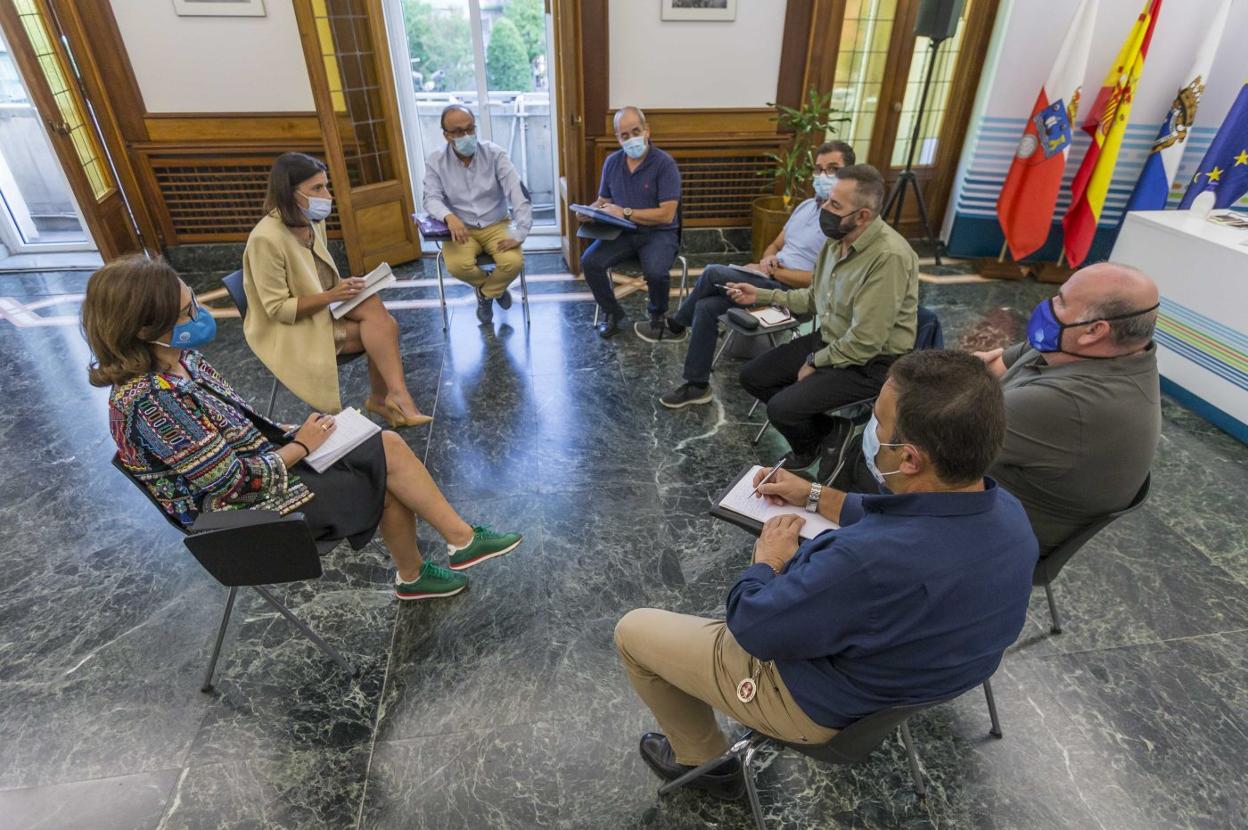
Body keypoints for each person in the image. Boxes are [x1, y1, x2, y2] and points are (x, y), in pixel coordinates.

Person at [615, 351, 1037, 799]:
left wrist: (768, 559)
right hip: (918, 676)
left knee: (633, 631)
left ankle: (705, 766)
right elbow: (898, 516)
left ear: (910, 459)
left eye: (877, 422)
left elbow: (753, 626)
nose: (871, 432)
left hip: (817, 705)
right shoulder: (1008, 513)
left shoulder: (865, 562)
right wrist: (813, 494)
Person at [84, 256, 523, 601]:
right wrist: (299, 445)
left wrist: (293, 430)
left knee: (380, 443)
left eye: (192, 302)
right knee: (384, 468)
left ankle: (440, 556)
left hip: (265, 466)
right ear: (143, 329)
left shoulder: (181, 362)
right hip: (240, 516)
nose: (198, 315)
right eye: (185, 313)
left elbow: (240, 422)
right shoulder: (150, 402)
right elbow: (231, 484)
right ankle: (445, 552)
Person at [726, 164, 919, 469]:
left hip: (872, 362)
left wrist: (816, 361)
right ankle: (831, 430)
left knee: (782, 409)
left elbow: (866, 341)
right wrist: (761, 295)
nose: (824, 208)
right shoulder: (835, 242)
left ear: (863, 216)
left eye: (835, 205)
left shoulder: (889, 257)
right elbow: (815, 299)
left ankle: (808, 451)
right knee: (753, 377)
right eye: (828, 200)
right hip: (832, 339)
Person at [974, 262, 1161, 556]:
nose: (1047, 304)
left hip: (992, 537)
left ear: (1095, 330)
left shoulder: (1069, 403)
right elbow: (986, 368)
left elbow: (938, 432)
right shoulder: (1069, 346)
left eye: (1060, 300)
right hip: (988, 486)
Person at [658, 141, 855, 409]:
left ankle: (677, 325)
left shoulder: (842, 225)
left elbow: (820, 285)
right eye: (819, 169)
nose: (823, 176)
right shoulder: (806, 206)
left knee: (712, 271)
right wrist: (767, 260)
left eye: (833, 169)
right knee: (705, 307)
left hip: (791, 295)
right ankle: (697, 385)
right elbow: (775, 244)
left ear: (850, 175)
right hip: (766, 278)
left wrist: (778, 272)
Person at [243, 152, 429, 427]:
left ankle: (391, 397)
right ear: (289, 193)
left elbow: (315, 276)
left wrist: (343, 288)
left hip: (319, 306)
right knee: (384, 329)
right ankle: (390, 399)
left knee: (373, 307)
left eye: (325, 185)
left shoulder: (311, 222)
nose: (327, 195)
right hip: (287, 327)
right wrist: (332, 295)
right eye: (317, 188)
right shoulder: (265, 239)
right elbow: (278, 310)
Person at [422, 104, 533, 325]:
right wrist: (449, 217)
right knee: (456, 266)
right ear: (446, 135)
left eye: (470, 129)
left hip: (496, 223)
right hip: (461, 228)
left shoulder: (494, 153)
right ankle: (496, 290)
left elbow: (516, 191)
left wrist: (521, 232)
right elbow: (430, 198)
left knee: (513, 262)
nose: (466, 135)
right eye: (458, 132)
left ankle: (485, 294)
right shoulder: (436, 160)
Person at [578, 106, 682, 339]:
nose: (631, 138)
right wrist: (589, 211)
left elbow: (666, 214)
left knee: (656, 272)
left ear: (647, 131)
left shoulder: (665, 164)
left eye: (636, 131)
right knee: (590, 262)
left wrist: (624, 212)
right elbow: (604, 200)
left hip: (659, 233)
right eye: (624, 135)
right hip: (623, 232)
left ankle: (657, 315)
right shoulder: (612, 162)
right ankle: (612, 312)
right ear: (617, 138)